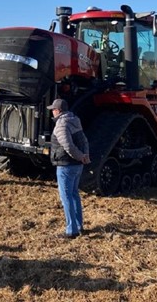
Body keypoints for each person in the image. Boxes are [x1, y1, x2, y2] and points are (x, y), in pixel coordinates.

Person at [47, 98, 91, 239]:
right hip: (77, 166)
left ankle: (71, 230)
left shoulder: (61, 125)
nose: (52, 112)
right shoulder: (74, 120)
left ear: (58, 111)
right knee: (74, 195)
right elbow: (84, 140)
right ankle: (79, 225)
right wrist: (85, 156)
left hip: (66, 165)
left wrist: (79, 156)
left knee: (66, 197)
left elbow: (68, 146)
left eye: (53, 109)